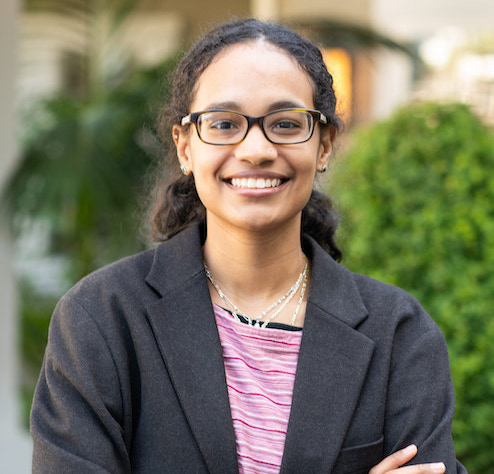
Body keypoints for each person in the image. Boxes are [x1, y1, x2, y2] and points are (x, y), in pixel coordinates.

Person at [30, 18, 467, 474]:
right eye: (223, 123)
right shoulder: (100, 320)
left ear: (324, 145)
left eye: (284, 123)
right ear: (185, 148)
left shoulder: (398, 334)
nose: (256, 149)